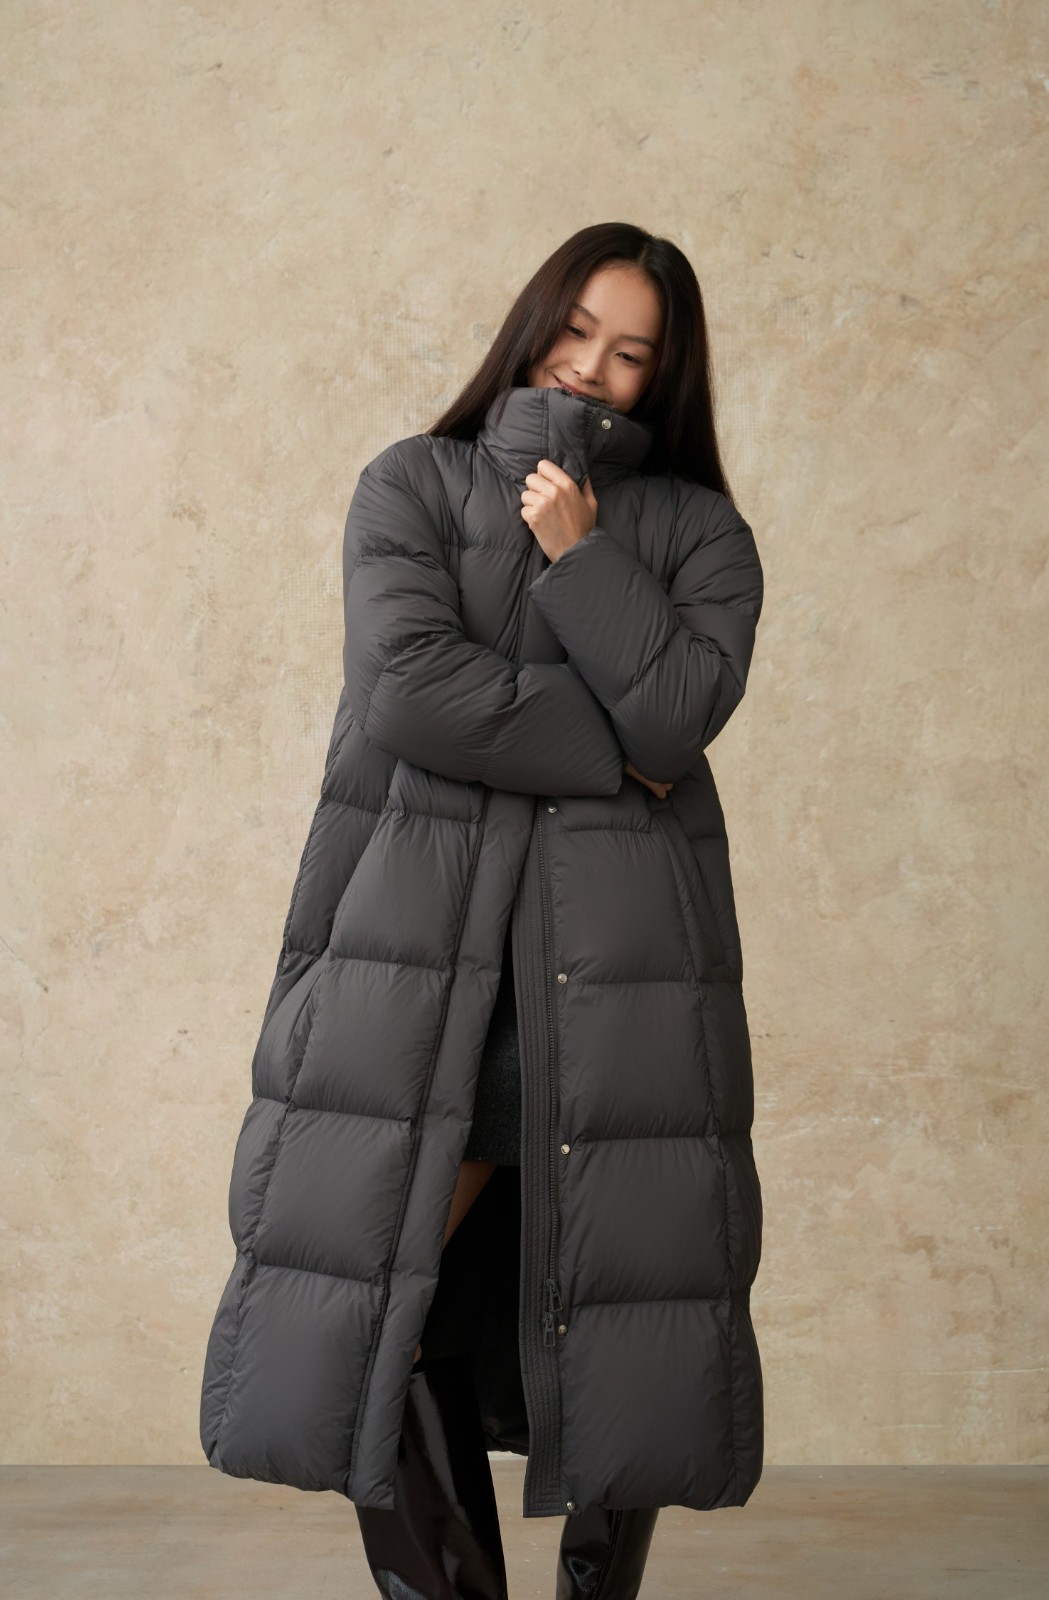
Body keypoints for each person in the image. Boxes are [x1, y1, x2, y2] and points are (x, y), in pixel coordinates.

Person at [199, 221, 764, 1600]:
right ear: (531, 321)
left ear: (665, 376)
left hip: (619, 985)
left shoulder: (700, 532)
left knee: (632, 1309)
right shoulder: (412, 482)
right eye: (575, 330)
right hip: (415, 975)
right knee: (376, 1299)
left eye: (629, 354)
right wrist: (623, 749)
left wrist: (583, 559)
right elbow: (409, 692)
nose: (589, 369)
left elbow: (682, 713)